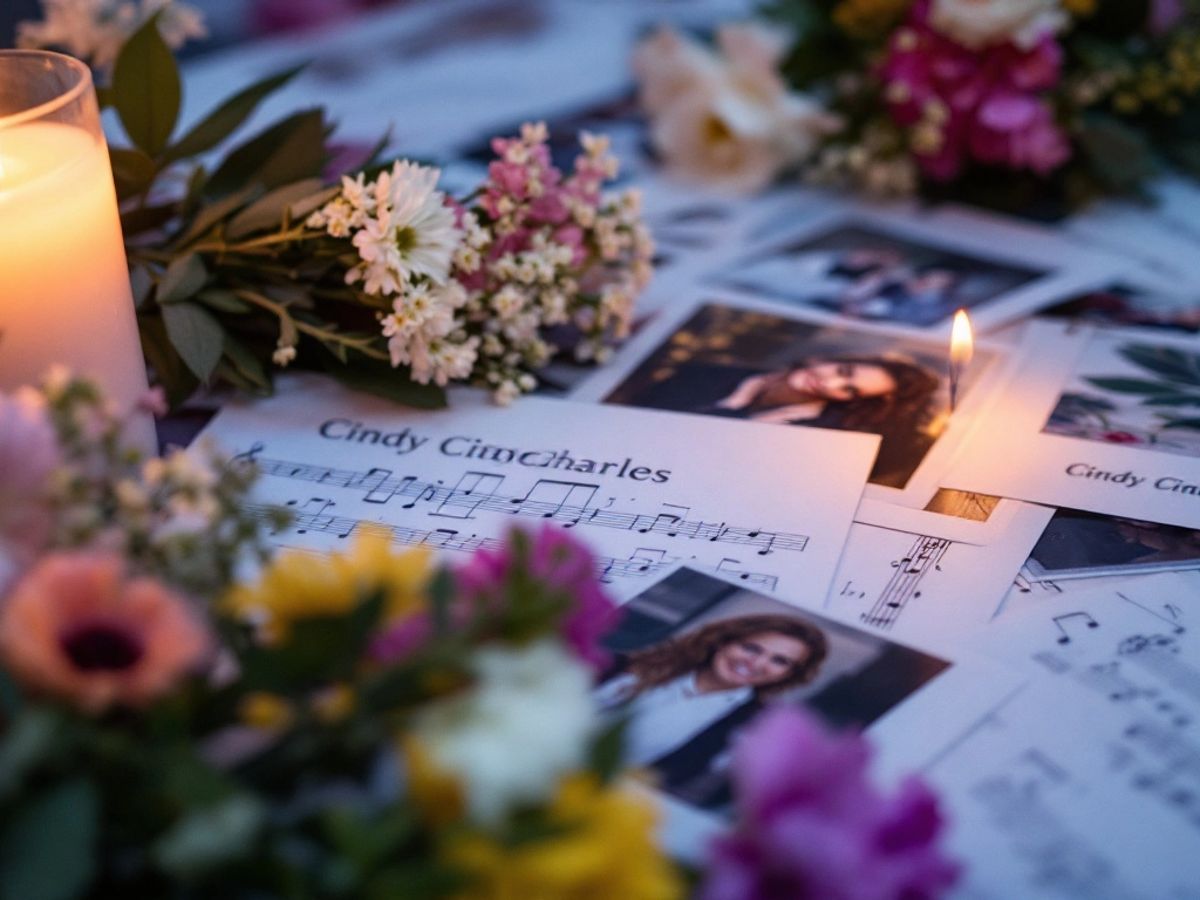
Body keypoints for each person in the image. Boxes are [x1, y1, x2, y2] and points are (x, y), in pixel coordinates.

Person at [594, 614, 828, 768]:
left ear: (789, 674)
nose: (755, 664)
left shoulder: (750, 729)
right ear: (722, 641)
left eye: (780, 661)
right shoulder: (628, 664)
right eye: (751, 648)